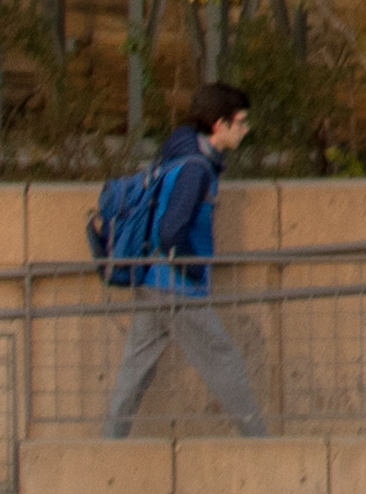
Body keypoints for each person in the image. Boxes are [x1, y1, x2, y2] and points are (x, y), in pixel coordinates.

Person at [100, 82, 269, 439]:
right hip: (176, 287)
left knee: (135, 370)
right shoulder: (196, 169)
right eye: (240, 122)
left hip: (151, 282)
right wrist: (193, 269)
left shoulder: (179, 156)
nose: (245, 129)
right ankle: (261, 442)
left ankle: (108, 444)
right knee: (224, 360)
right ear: (218, 125)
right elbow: (170, 230)